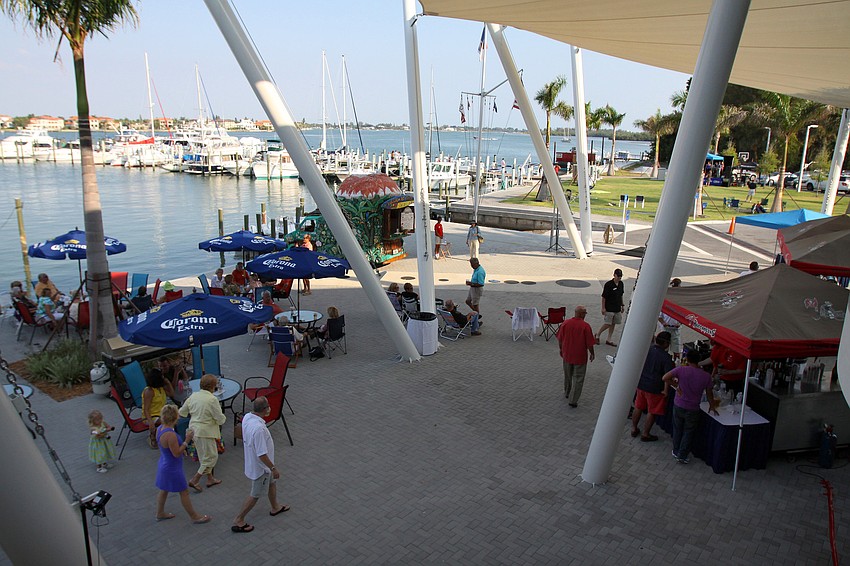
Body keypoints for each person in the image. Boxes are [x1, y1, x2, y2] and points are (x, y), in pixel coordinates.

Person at [231, 396, 289, 533]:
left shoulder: (247, 417)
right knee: (255, 494)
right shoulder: (259, 430)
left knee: (272, 483)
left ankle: (275, 507)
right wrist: (273, 468)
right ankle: (239, 519)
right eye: (268, 406)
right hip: (262, 468)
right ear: (265, 409)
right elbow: (262, 454)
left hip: (259, 465)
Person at [154, 404, 211, 524]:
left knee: (164, 489)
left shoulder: (160, 429)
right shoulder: (171, 435)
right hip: (172, 468)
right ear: (175, 418)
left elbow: (169, 449)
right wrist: (186, 440)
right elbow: (176, 453)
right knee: (183, 492)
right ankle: (194, 516)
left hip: (164, 463)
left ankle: (160, 512)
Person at [663, 349, 718, 464]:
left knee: (678, 428)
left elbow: (665, 378)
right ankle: (682, 455)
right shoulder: (706, 376)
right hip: (693, 408)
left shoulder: (681, 370)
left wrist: (676, 386)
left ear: (687, 359)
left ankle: (676, 450)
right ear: (699, 360)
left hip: (679, 404)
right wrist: (712, 405)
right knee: (688, 431)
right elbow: (709, 393)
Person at [179, 374, 227, 492]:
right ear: (212, 386)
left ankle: (210, 479)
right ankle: (195, 479)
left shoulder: (193, 396)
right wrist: (222, 419)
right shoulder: (212, 399)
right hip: (206, 432)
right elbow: (220, 418)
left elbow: (182, 412)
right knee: (211, 457)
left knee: (203, 456)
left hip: (194, 431)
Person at [630, 332, 675, 441]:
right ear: (666, 343)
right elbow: (667, 376)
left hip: (642, 384)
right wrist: (665, 390)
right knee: (652, 411)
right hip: (655, 388)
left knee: (638, 406)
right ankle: (646, 434)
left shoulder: (647, 350)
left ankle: (633, 428)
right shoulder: (666, 357)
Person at [555, 306, 595, 408]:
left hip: (567, 355)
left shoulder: (565, 323)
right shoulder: (586, 326)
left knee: (568, 375)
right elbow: (590, 344)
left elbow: (560, 339)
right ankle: (573, 400)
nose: (585, 315)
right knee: (578, 378)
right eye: (585, 313)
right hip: (580, 357)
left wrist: (561, 349)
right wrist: (592, 353)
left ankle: (567, 392)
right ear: (581, 314)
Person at [143, 368, 176, 449]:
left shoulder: (161, 388)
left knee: (177, 416)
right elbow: (146, 409)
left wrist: (168, 383)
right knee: (169, 422)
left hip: (162, 413)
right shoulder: (149, 391)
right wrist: (150, 422)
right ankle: (156, 437)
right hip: (152, 415)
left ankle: (168, 436)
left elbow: (172, 394)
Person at [595, 268, 625, 347]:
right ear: (614, 275)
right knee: (608, 323)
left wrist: (622, 305)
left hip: (617, 307)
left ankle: (609, 339)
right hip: (609, 307)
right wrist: (603, 308)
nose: (619, 278)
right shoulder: (608, 284)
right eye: (618, 276)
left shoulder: (621, 284)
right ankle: (597, 334)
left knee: (614, 323)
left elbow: (621, 295)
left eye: (620, 276)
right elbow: (604, 297)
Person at [657, 278, 683, 360]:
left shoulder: (680, 301)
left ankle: (676, 361)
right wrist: (664, 323)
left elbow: (683, 316)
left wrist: (680, 323)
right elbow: (659, 316)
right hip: (665, 329)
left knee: (677, 350)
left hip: (675, 329)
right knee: (663, 349)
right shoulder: (665, 299)